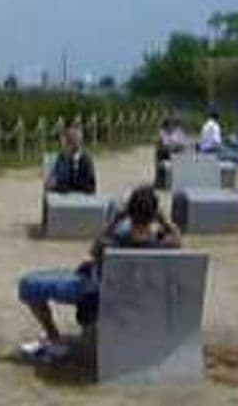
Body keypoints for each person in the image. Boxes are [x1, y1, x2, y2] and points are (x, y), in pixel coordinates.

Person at [17, 185, 182, 361]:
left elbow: (94, 249)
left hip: (101, 297)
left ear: (129, 212)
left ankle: (54, 339)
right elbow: (178, 238)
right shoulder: (163, 245)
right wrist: (164, 220)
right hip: (143, 302)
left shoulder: (112, 244)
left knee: (29, 285)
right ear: (154, 216)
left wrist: (115, 220)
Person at [45, 123, 96, 194]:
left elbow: (90, 187)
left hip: (80, 200)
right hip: (62, 199)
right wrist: (51, 182)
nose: (65, 145)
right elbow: (52, 180)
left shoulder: (85, 159)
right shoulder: (62, 158)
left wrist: (63, 186)